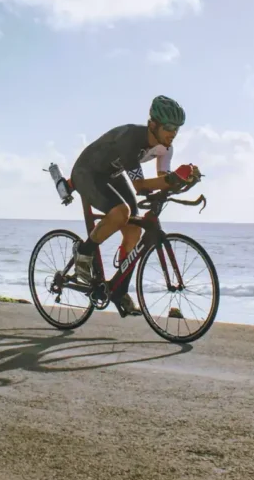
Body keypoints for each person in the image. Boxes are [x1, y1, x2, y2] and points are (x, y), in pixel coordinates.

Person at [68, 95, 200, 317]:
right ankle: (84, 252)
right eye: (168, 127)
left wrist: (181, 181)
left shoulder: (166, 148)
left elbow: (162, 179)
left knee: (134, 230)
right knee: (121, 213)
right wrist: (173, 179)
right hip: (87, 172)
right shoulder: (131, 139)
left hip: (112, 174)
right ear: (153, 125)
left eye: (177, 128)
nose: (173, 133)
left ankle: (119, 290)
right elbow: (140, 186)